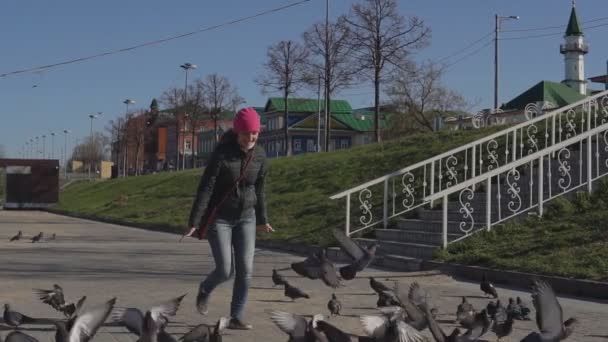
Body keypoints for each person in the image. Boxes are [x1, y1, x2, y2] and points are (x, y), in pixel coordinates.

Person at [185, 107, 273, 330]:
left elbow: (260, 189)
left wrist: (263, 218)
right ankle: (205, 289)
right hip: (221, 219)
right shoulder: (222, 153)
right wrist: (195, 221)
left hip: (247, 218)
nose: (250, 137)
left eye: (254, 133)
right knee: (226, 270)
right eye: (246, 133)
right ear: (237, 132)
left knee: (246, 269)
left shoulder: (260, 155)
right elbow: (206, 187)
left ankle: (236, 316)